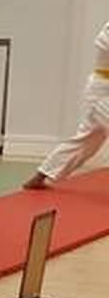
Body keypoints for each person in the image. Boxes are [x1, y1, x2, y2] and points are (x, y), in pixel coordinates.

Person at [24, 20, 109, 190]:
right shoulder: (106, 33)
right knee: (86, 140)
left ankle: (41, 174)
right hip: (101, 93)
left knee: (86, 141)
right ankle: (41, 175)